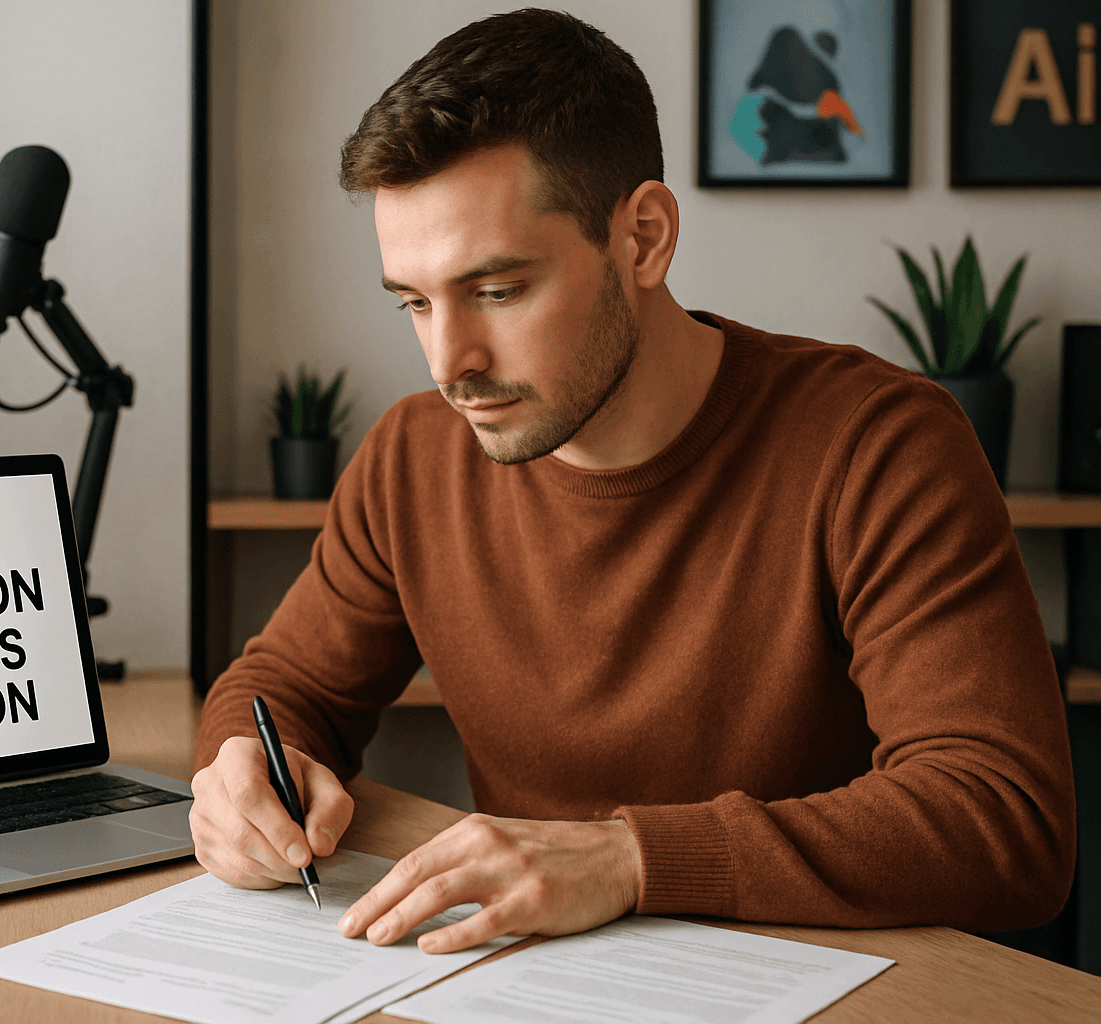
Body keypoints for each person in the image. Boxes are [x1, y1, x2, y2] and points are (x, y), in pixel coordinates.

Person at [188, 9, 1076, 954]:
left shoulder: (877, 446)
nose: (451, 362)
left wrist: (630, 859)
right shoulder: (412, 460)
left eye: (497, 291)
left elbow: (1004, 818)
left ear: (644, 238)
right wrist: (239, 773)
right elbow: (282, 689)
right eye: (414, 302)